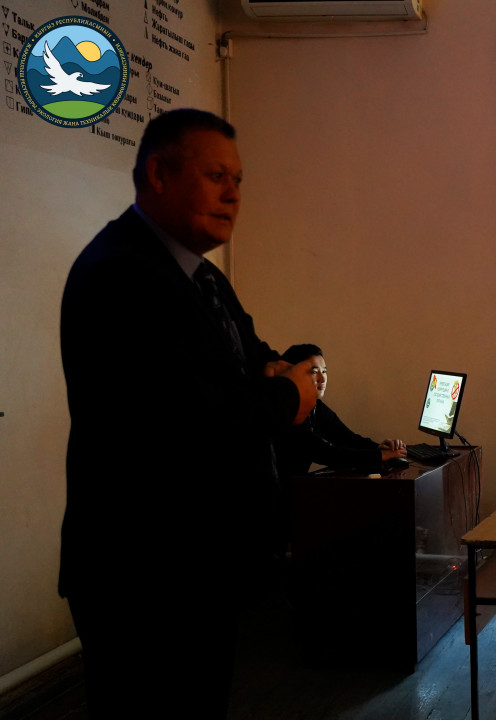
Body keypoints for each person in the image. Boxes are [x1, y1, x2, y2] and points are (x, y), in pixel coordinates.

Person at [59, 109, 319, 718]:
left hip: (200, 570)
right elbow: (195, 418)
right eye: (215, 176)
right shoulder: (120, 274)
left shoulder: (205, 278)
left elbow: (257, 358)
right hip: (142, 573)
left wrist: (279, 377)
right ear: (159, 174)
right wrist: (290, 396)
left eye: (238, 180)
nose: (233, 195)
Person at [274, 343, 407, 477]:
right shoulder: (285, 409)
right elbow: (325, 453)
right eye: (314, 372)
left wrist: (380, 448)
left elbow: (346, 438)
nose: (322, 379)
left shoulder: (315, 407)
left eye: (324, 371)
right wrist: (380, 455)